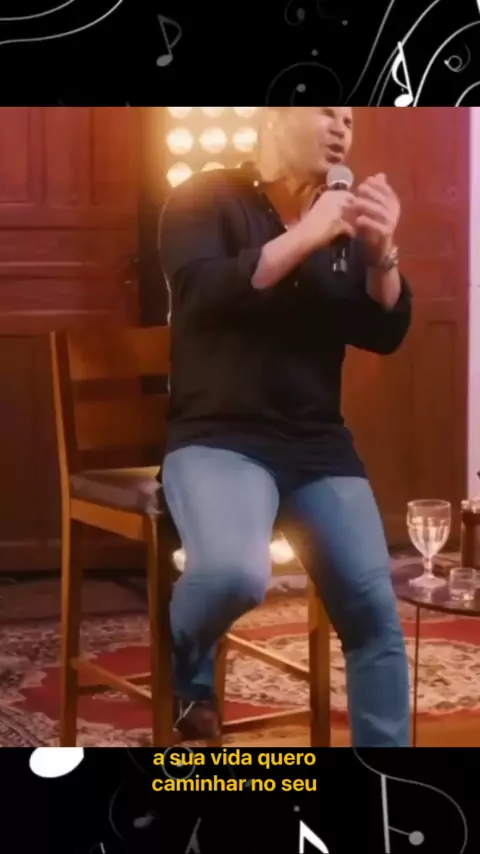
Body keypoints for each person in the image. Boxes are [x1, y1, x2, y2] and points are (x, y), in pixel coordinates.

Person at [158, 106, 412, 747]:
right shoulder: (204, 197)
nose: (343, 127)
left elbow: (383, 331)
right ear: (274, 116)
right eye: (327, 112)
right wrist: (308, 234)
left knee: (375, 616)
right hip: (218, 437)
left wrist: (382, 254)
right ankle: (185, 654)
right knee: (235, 576)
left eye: (350, 119)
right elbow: (202, 296)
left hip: (318, 446)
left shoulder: (341, 224)